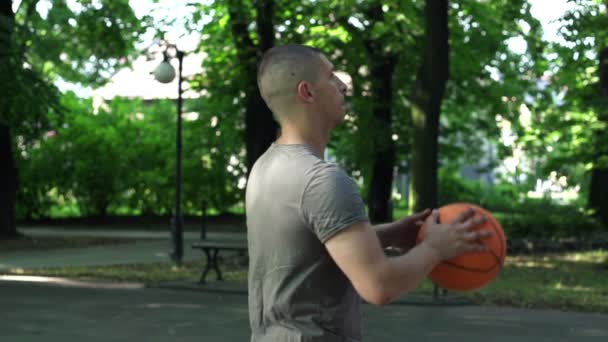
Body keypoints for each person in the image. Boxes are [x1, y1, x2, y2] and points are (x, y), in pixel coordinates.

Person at [246, 44, 490, 342]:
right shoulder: (323, 180)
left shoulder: (265, 167)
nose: (343, 85)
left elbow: (307, 248)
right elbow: (379, 285)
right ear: (307, 92)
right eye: (331, 76)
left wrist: (389, 234)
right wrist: (435, 249)